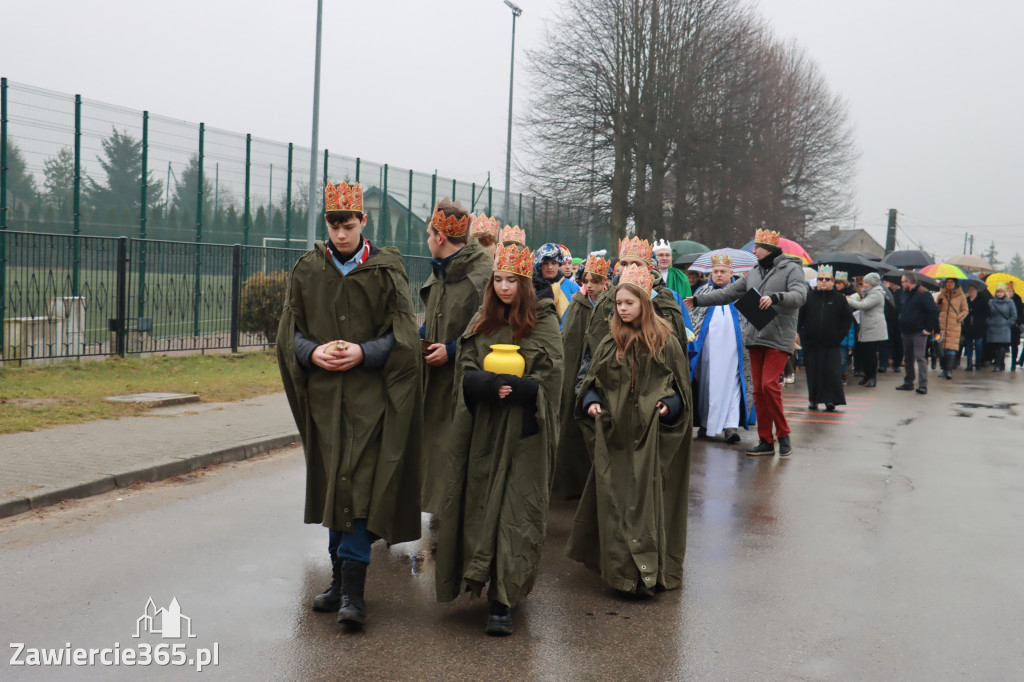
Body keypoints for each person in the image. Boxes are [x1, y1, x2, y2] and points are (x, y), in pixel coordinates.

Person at [277, 181, 422, 629]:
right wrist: (311, 353)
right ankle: (338, 583)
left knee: (358, 488)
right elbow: (290, 333)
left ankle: (354, 596)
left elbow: (402, 337)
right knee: (332, 485)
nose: (341, 233)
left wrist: (362, 352)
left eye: (349, 223)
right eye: (334, 224)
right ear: (326, 224)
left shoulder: (385, 272)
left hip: (369, 402)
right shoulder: (307, 271)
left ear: (363, 222)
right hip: (324, 402)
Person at [434, 242, 563, 636]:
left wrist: (521, 388)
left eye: (512, 280)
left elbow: (553, 373)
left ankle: (503, 599)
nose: (504, 287)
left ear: (525, 283)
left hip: (524, 433)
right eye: (499, 280)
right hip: (484, 430)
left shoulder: (543, 320)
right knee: (477, 503)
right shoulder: (481, 319)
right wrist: (485, 383)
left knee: (514, 511)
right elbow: (465, 367)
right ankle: (476, 577)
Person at [568, 264, 691, 597]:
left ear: (644, 305)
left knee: (646, 504)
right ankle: (624, 574)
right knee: (617, 502)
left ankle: (647, 574)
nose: (621, 308)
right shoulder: (611, 342)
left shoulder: (666, 342)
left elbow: (680, 387)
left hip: (651, 437)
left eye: (629, 303)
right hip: (616, 436)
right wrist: (591, 401)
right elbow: (592, 379)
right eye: (619, 303)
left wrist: (671, 407)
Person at [685, 229, 807, 457]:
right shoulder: (754, 272)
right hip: (755, 336)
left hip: (779, 338)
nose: (754, 250)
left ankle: (783, 433)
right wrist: (699, 299)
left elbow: (800, 296)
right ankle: (765, 440)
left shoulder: (791, 268)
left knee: (770, 385)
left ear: (768, 249)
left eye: (757, 247)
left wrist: (776, 297)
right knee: (759, 391)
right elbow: (729, 293)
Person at [420, 199, 493, 518]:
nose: (427, 241)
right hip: (436, 383)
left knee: (460, 454)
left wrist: (451, 350)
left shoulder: (482, 277)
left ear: (440, 238)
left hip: (468, 387)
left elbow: (492, 333)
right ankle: (443, 518)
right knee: (438, 453)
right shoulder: (442, 271)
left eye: (428, 234)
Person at [553, 254, 610, 500]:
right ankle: (568, 481)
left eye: (595, 281)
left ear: (604, 282)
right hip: (573, 369)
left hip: (597, 373)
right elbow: (568, 336)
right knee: (568, 424)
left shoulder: (611, 304)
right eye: (586, 280)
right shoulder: (578, 302)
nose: (589, 285)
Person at [688, 253, 755, 443]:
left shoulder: (742, 292)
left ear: (731, 272)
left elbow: (756, 322)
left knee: (734, 385)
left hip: (735, 352)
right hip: (707, 352)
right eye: (715, 271)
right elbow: (693, 321)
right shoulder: (702, 293)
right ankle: (706, 423)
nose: (718, 275)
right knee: (706, 386)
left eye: (722, 271)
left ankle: (730, 426)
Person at [798, 265, 853, 411]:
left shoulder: (839, 299)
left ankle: (830, 400)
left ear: (832, 281)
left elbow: (847, 320)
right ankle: (813, 399)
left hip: (832, 343)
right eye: (821, 279)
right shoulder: (809, 297)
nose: (823, 281)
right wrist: (802, 335)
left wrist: (838, 336)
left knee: (831, 372)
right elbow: (800, 319)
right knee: (813, 373)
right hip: (812, 343)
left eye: (827, 279)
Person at [895, 271, 939, 394]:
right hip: (906, 330)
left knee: (920, 357)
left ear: (909, 282)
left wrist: (929, 328)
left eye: (903, 282)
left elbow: (934, 311)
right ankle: (909, 382)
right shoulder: (905, 293)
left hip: (919, 331)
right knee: (908, 358)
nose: (901, 284)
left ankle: (923, 385)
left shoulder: (923, 293)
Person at [846, 272, 888, 387]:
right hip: (868, 328)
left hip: (874, 328)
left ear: (871, 283)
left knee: (871, 354)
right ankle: (867, 376)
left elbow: (864, 305)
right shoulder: (870, 293)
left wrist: (849, 300)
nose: (863, 284)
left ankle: (872, 377)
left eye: (865, 282)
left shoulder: (876, 294)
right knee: (865, 353)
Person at [534, 242, 581, 324]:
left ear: (559, 264)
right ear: (539, 265)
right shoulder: (531, 287)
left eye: (554, 263)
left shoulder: (573, 288)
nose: (550, 267)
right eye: (545, 263)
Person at [935, 277, 968, 380]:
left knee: (951, 348)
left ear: (955, 283)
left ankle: (949, 370)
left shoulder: (961, 296)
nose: (949, 284)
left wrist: (959, 317)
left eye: (951, 282)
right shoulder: (942, 294)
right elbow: (937, 309)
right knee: (941, 348)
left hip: (954, 325)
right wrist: (938, 304)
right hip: (941, 325)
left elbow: (965, 310)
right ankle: (943, 369)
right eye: (947, 282)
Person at [986, 284, 1017, 372]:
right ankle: (1000, 363)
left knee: (1002, 347)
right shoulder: (991, 302)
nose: (999, 294)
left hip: (1004, 328)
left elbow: (1014, 315)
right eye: (998, 292)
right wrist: (988, 322)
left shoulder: (1009, 302)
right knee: (995, 347)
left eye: (1001, 292)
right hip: (993, 327)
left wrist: (1009, 323)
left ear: (1004, 293)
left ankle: (998, 365)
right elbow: (987, 313)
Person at [962, 281, 987, 370]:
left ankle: (978, 362)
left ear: (976, 290)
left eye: (973, 289)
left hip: (979, 326)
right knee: (968, 346)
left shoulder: (982, 300)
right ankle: (969, 363)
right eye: (969, 289)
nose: (971, 291)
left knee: (978, 344)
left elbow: (987, 312)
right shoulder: (966, 300)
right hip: (968, 327)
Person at [1006, 282, 1024, 370]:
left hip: (1015, 326)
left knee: (1014, 345)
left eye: (1010, 290)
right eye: (1007, 290)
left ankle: (1014, 362)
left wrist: (1018, 323)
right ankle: (1000, 363)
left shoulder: (1018, 299)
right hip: (1004, 326)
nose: (1009, 292)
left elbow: (1021, 313)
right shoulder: (1002, 299)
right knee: (1002, 345)